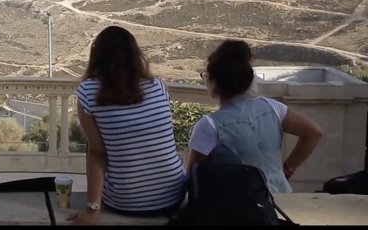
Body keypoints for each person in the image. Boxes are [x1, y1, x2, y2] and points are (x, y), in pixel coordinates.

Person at [69, 26, 187, 225]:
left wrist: (92, 209)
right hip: (174, 196)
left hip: (126, 201)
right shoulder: (158, 86)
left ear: (97, 55)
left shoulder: (88, 91)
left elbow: (97, 153)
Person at [186, 40, 323, 193]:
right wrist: (286, 168)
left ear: (214, 82)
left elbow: (192, 176)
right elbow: (314, 132)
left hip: (244, 207)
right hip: (282, 199)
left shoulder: (210, 125)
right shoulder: (272, 107)